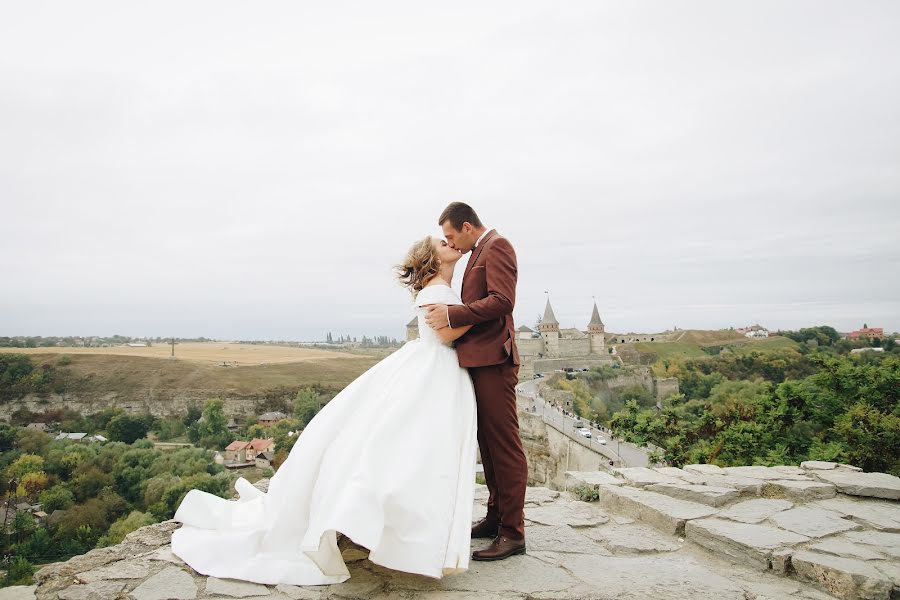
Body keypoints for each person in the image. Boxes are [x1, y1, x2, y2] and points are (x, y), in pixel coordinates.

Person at [170, 235, 478, 585]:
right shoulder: (437, 290)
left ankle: (409, 534)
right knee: (412, 447)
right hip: (433, 369)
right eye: (441, 241)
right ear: (431, 257)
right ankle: (409, 535)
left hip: (434, 371)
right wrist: (486, 314)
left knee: (411, 448)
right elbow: (444, 336)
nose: (449, 241)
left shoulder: (442, 287)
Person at [424, 202, 527, 561]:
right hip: (478, 362)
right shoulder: (476, 252)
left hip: (495, 362)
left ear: (467, 227)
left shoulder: (497, 246)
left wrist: (453, 314)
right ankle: (496, 517)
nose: (450, 242)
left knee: (505, 447)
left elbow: (502, 301)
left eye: (451, 235)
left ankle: (514, 534)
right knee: (488, 445)